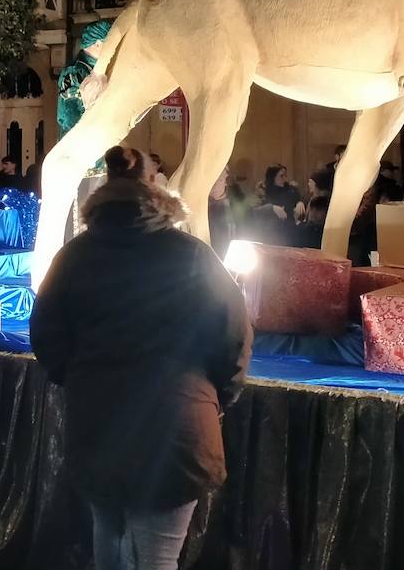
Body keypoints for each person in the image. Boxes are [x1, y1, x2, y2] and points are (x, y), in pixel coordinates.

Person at [31, 145, 251, 570]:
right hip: (175, 426)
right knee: (156, 557)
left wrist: (80, 379)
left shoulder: (74, 257)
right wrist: (216, 396)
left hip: (97, 421)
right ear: (157, 192)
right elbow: (233, 337)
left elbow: (46, 336)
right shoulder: (192, 255)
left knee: (109, 543)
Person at [56, 19, 112, 137]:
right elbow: (70, 116)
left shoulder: (97, 70)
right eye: (109, 45)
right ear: (98, 44)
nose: (112, 51)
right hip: (79, 145)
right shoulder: (74, 73)